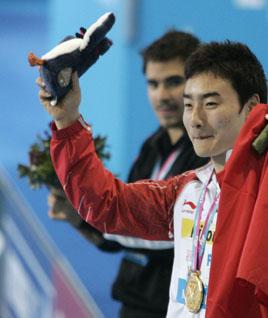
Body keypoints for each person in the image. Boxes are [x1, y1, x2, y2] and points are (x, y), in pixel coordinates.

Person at [37, 38, 268, 317]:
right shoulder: (187, 191)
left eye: (211, 103)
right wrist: (67, 121)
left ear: (252, 107)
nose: (196, 119)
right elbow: (107, 205)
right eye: (189, 105)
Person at [46, 30, 210, 318]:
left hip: (172, 308)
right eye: (153, 84)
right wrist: (82, 219)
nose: (162, 95)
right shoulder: (152, 145)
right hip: (132, 304)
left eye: (173, 82)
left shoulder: (207, 156)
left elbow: (177, 239)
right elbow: (124, 231)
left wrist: (97, 217)